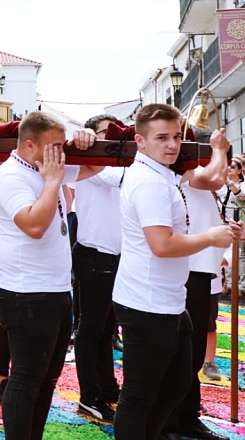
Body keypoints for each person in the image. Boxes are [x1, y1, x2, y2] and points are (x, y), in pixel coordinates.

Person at [112, 105, 239, 440]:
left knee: (178, 383)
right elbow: (162, 244)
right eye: (161, 138)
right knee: (140, 395)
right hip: (146, 300)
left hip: (167, 298)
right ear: (140, 141)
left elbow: (210, 178)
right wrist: (211, 237)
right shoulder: (150, 182)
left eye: (174, 137)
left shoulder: (163, 174)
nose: (171, 145)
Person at [0, 112, 98, 440]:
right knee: (24, 379)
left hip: (55, 290)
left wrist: (86, 140)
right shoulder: (11, 175)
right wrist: (53, 182)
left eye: (63, 146)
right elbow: (34, 225)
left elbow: (95, 168)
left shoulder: (49, 164)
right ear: (30, 144)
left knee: (47, 379)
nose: (60, 152)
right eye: (54, 145)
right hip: (26, 294)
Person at [70, 115, 125, 422]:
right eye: (106, 133)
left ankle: (107, 387)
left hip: (117, 256)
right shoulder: (95, 164)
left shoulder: (118, 163)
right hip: (95, 256)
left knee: (107, 330)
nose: (113, 138)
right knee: (90, 330)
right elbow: (118, 178)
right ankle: (88, 396)